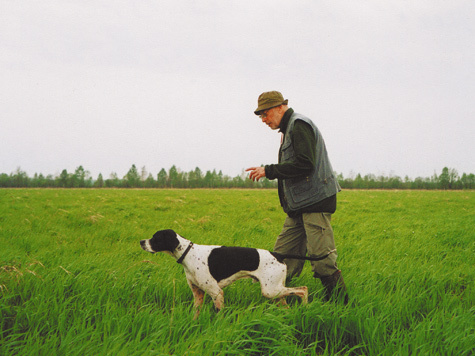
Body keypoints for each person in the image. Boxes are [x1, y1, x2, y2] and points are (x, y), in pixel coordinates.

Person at [246, 91, 348, 303]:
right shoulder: (289, 128)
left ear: (280, 107)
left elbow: (305, 164)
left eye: (265, 114)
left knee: (322, 259)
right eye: (260, 116)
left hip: (314, 203)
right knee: (282, 258)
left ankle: (342, 307)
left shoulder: (299, 125)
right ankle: (283, 304)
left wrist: (269, 171)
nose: (263, 120)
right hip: (299, 206)